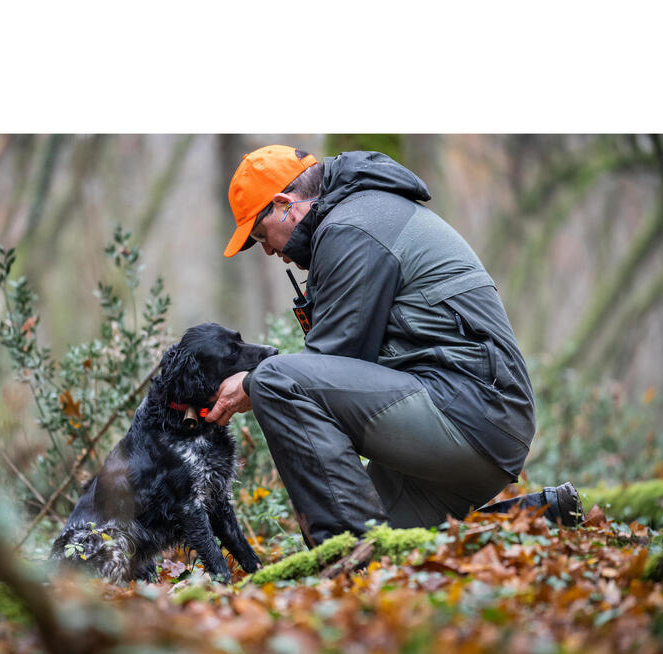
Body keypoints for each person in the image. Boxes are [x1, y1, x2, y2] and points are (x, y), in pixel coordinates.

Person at [206, 144, 583, 547]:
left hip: (467, 415)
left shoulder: (351, 227)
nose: (268, 250)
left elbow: (328, 365)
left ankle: (345, 570)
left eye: (262, 235)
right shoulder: (362, 214)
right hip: (485, 425)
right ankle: (545, 517)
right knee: (386, 542)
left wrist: (249, 384)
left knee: (275, 382)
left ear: (285, 205)